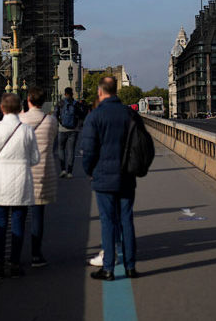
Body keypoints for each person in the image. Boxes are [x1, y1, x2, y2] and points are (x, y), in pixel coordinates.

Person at [81, 75, 139, 281]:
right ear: (116, 91)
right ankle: (131, 266)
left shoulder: (95, 116)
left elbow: (88, 150)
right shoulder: (129, 114)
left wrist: (89, 171)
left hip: (104, 176)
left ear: (100, 92)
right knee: (126, 220)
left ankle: (108, 269)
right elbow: (141, 145)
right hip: (127, 175)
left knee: (107, 222)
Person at [0, 92, 39, 278]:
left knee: (0, 224)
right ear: (18, 108)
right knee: (18, 223)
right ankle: (14, 263)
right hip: (21, 181)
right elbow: (35, 158)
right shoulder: (27, 130)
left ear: (2, 108)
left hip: (0, 182)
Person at [20, 87, 58, 267]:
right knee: (37, 216)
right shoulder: (51, 121)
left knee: (19, 215)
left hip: (23, 172)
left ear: (28, 100)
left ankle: (15, 256)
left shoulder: (21, 120)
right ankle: (36, 255)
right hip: (43, 171)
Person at [55, 87, 80, 178]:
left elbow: (55, 114)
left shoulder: (60, 103)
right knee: (71, 151)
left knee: (61, 149)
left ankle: (63, 170)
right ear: (72, 93)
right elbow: (81, 115)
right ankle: (70, 172)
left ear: (65, 94)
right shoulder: (76, 103)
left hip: (62, 129)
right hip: (73, 130)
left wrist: (60, 122)